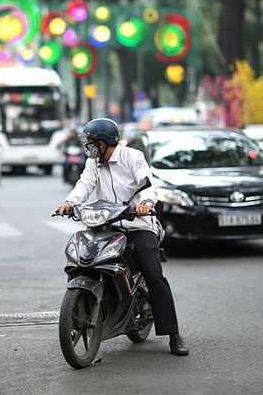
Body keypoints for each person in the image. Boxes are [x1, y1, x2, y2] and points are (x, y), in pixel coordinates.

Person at [56, 118, 189, 356]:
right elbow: (84, 185)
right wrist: (69, 202)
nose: (89, 147)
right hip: (107, 224)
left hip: (138, 224)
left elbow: (147, 184)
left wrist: (146, 203)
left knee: (153, 274)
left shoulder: (132, 157)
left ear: (104, 142)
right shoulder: (93, 163)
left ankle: (173, 334)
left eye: (91, 142)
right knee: (86, 260)